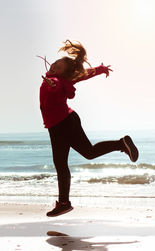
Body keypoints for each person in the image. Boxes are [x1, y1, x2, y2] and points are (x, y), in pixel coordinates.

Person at [39, 40, 139, 217]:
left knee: (65, 163)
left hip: (63, 124)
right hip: (61, 124)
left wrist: (53, 86)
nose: (54, 66)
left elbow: (55, 85)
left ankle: (64, 203)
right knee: (86, 154)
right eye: (55, 63)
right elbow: (84, 74)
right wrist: (100, 69)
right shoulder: (59, 78)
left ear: (63, 74)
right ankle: (121, 144)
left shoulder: (56, 81)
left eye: (59, 66)